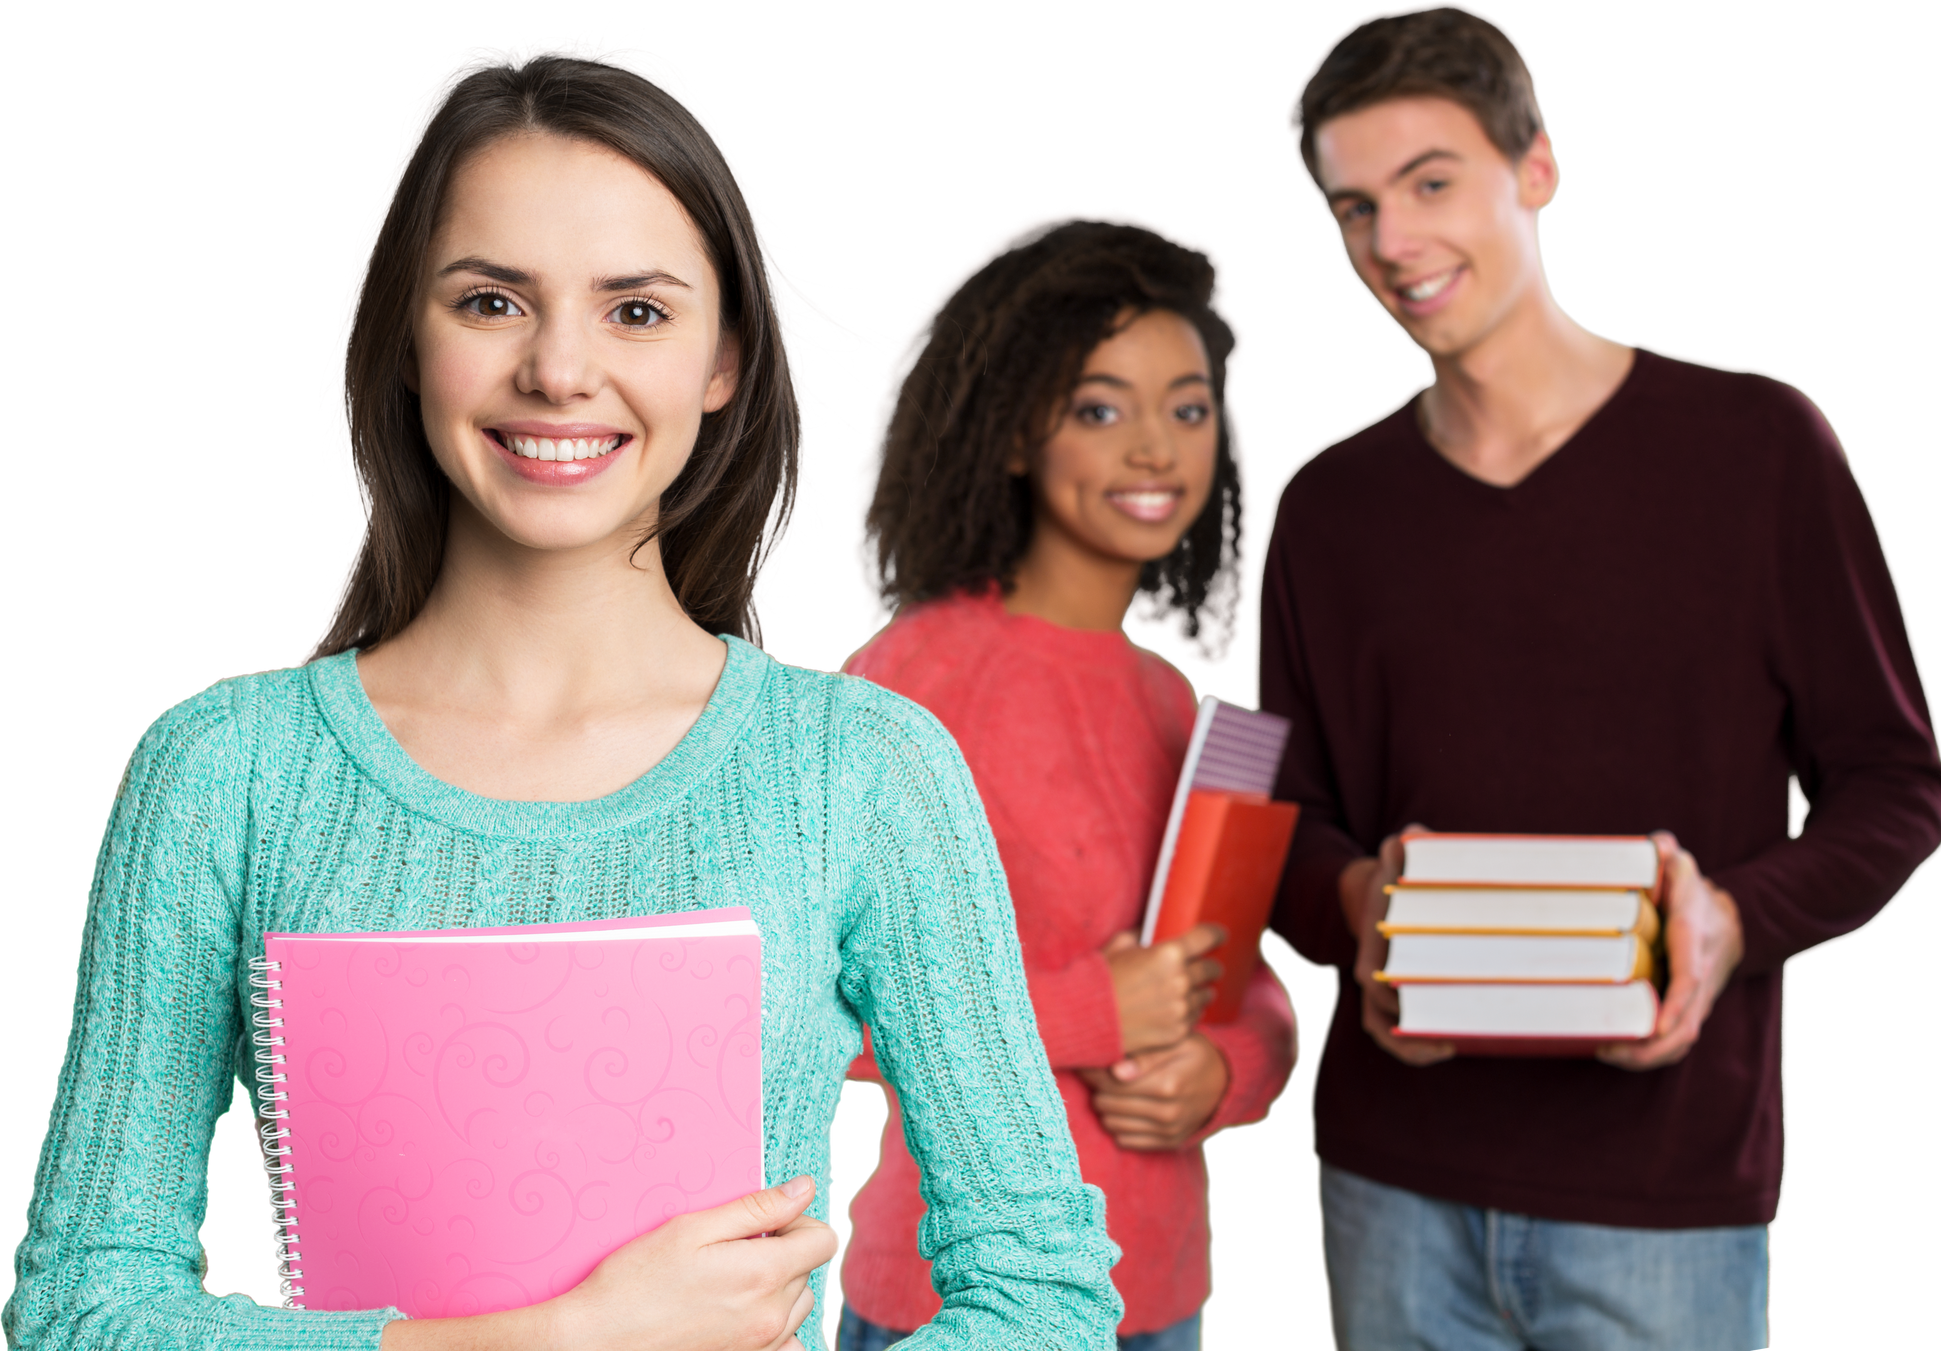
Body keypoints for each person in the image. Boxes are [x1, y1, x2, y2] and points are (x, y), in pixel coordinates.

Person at [2, 54, 1122, 1351]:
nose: (558, 370)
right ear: (408, 341)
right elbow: (83, 1312)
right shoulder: (220, 772)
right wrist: (555, 1335)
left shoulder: (860, 767)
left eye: (636, 312)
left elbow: (1041, 1296)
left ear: (724, 359)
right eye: (490, 301)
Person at [1261, 5, 1941, 1348]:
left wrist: (1728, 921)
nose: (1390, 243)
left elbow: (1895, 783)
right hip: (1386, 1183)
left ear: (1534, 170)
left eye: (1428, 183)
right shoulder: (1328, 507)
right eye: (1352, 208)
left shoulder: (1757, 447)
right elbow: (1271, 820)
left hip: (1662, 1199)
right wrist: (1352, 900)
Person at [834, 219, 1303, 1351]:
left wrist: (1223, 1068)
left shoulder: (1179, 707)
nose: (1157, 448)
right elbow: (825, 1007)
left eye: (1188, 408)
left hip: (1163, 1296)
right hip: (964, 1299)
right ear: (1010, 436)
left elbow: (1244, 984)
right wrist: (1097, 1010)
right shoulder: (914, 677)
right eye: (1101, 407)